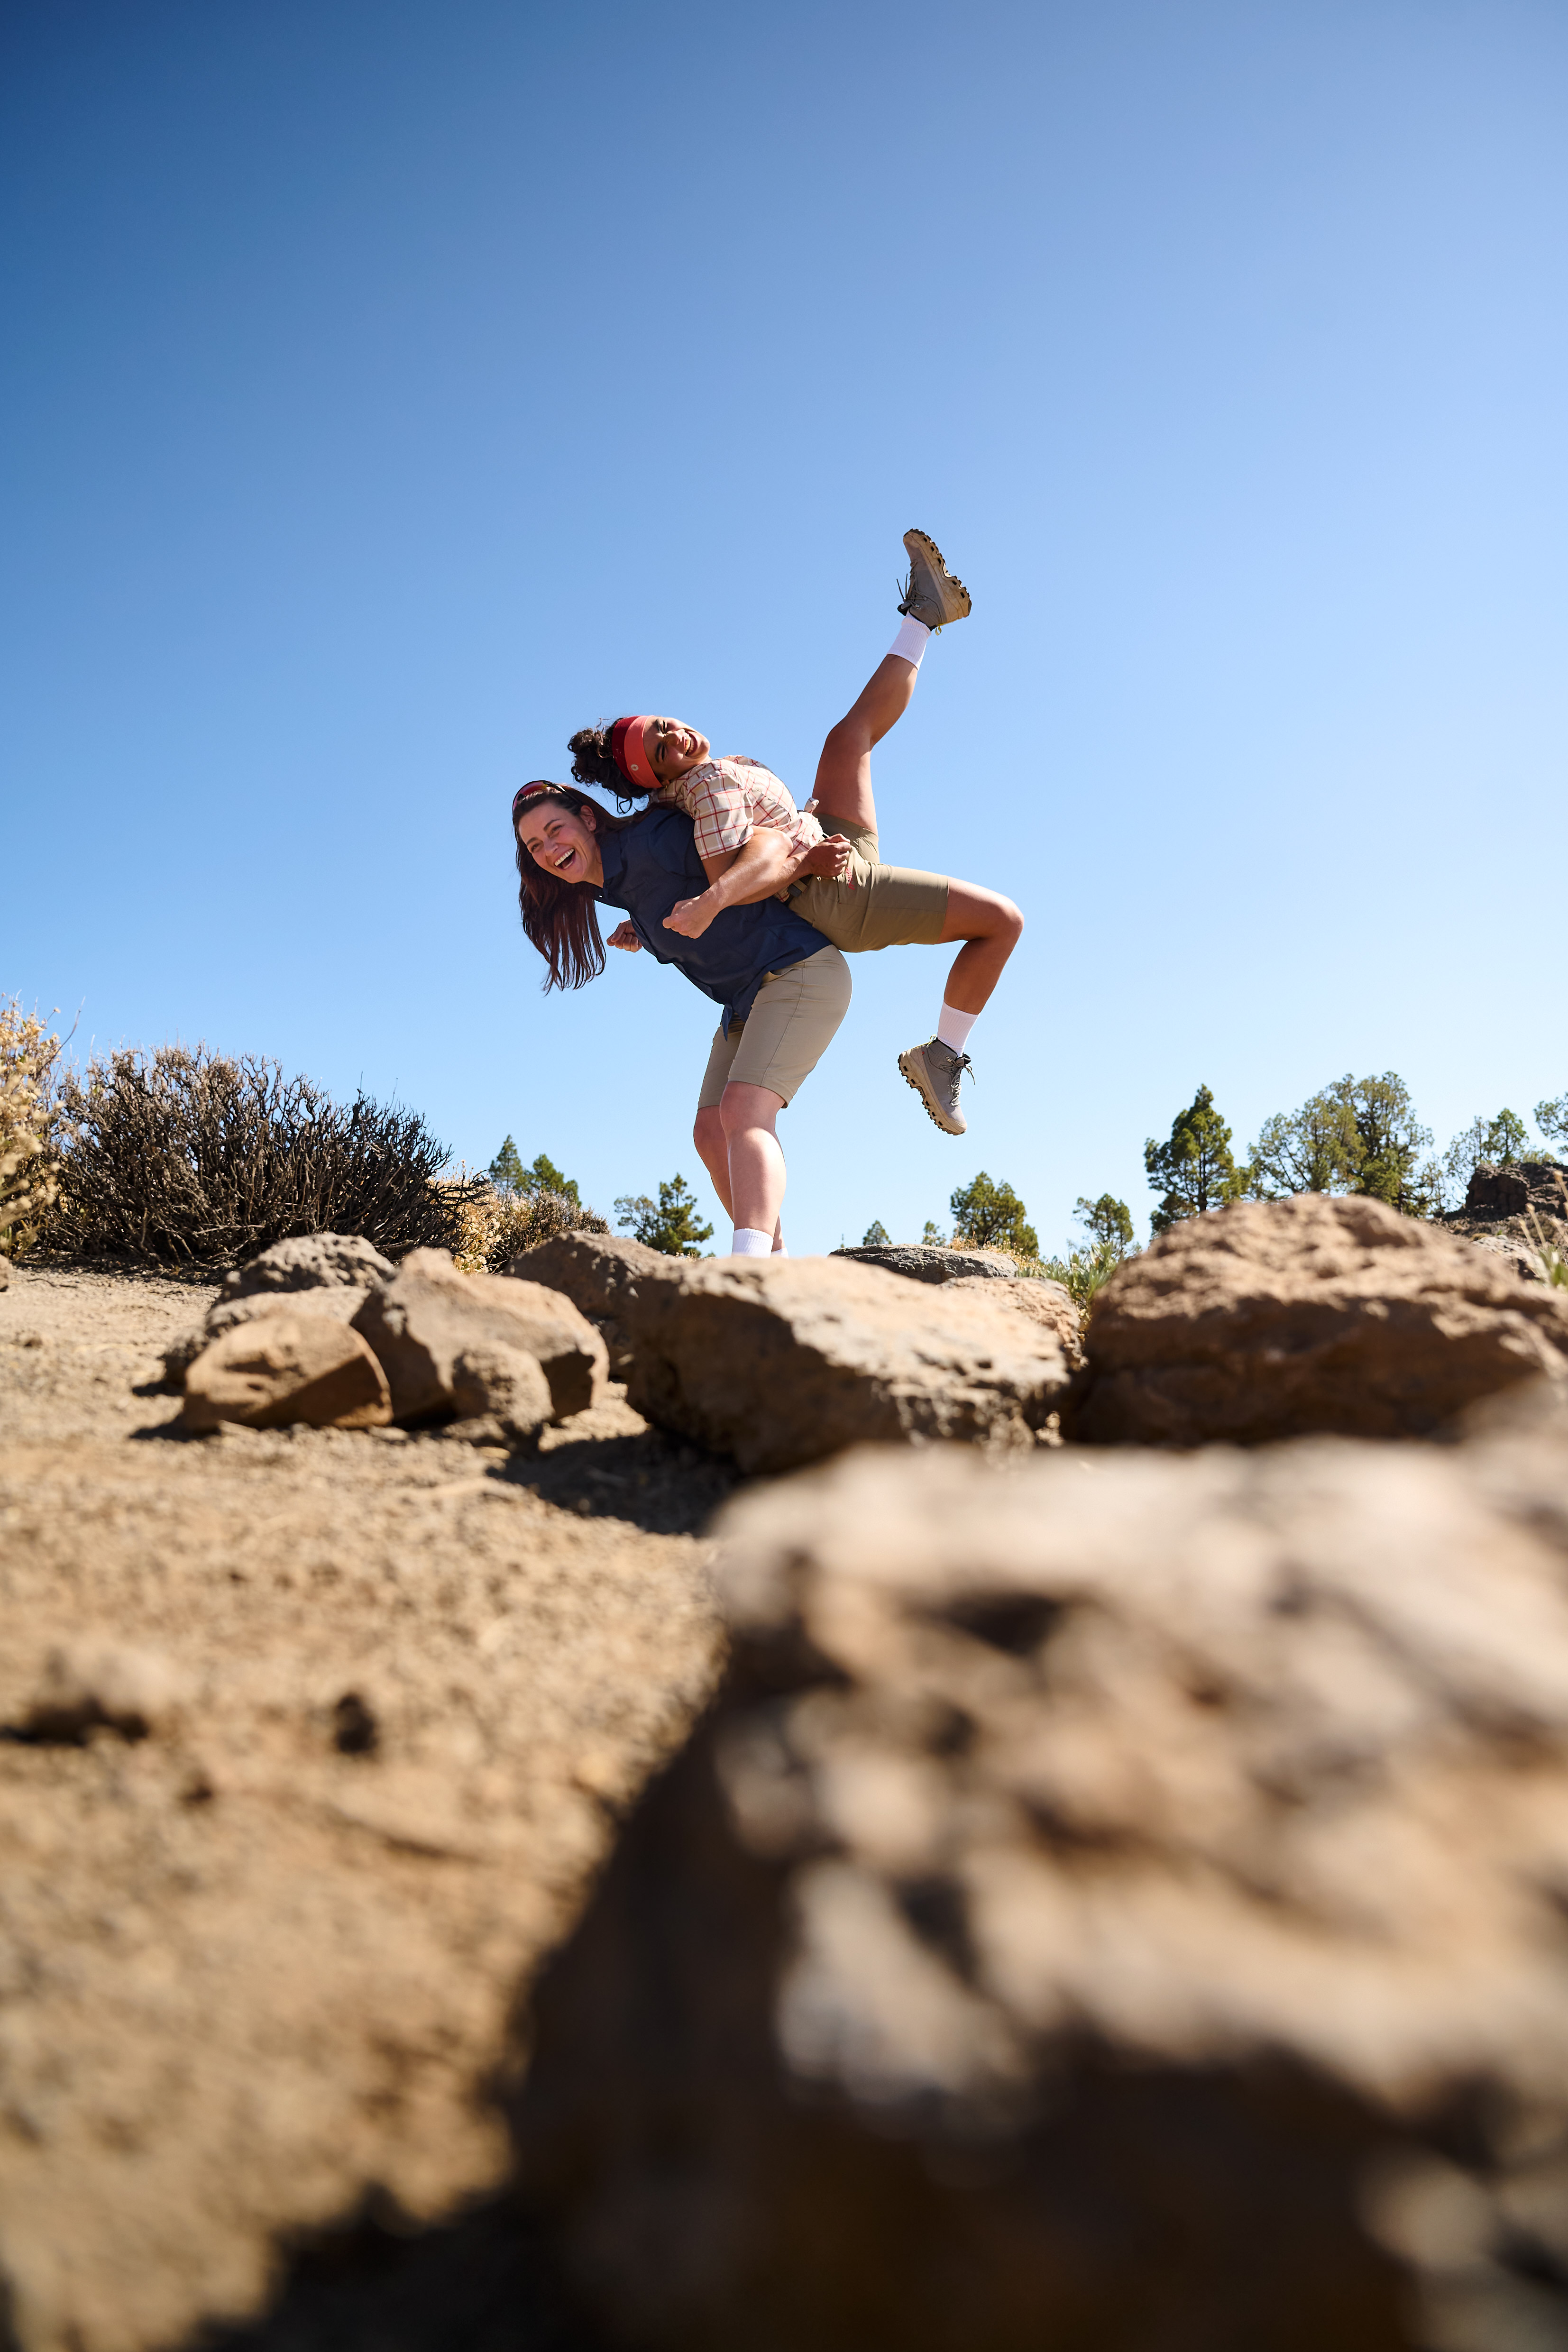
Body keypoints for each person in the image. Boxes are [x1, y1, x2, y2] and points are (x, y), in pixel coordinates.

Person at [563, 529, 1023, 1137]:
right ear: (658, 779)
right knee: (1001, 921)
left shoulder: (698, 782)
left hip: (822, 833)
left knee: (847, 739)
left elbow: (689, 865)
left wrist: (647, 927)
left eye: (666, 727)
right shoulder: (706, 787)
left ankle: (924, 616)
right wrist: (803, 863)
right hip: (834, 888)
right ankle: (942, 1056)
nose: (676, 739)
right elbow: (729, 880)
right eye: (661, 751)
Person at [513, 779, 848, 1259]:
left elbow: (747, 848)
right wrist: (648, 934)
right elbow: (688, 905)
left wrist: (803, 851)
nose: (550, 849)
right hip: (745, 1000)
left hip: (798, 969)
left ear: (588, 819)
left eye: (555, 829)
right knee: (710, 1131)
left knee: (743, 1111)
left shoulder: (651, 840)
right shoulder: (617, 886)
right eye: (535, 845)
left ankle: (749, 1263)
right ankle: (776, 1261)